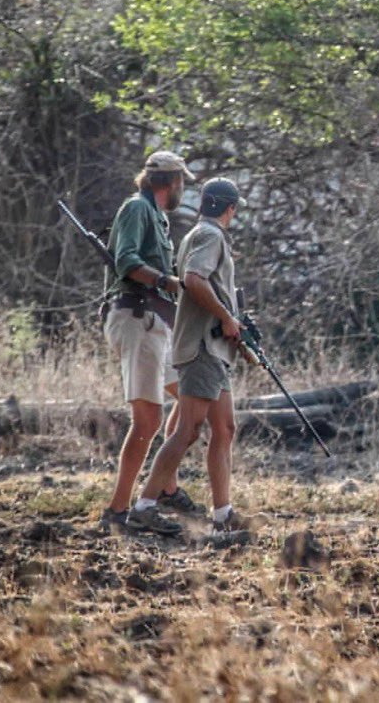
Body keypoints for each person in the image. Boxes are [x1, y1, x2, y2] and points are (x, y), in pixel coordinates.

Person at [127, 177, 253, 535]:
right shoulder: (210, 236)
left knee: (224, 429)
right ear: (231, 210)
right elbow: (194, 279)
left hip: (213, 349)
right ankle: (145, 506)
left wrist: (230, 324)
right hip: (200, 348)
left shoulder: (202, 234)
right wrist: (228, 317)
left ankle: (223, 514)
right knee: (188, 430)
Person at [99, 150, 205, 533]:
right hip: (137, 318)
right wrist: (166, 281)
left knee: (193, 399)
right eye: (180, 182)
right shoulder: (136, 210)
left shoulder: (157, 216)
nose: (182, 189)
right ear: (170, 182)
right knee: (147, 421)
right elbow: (126, 261)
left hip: (158, 322)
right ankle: (117, 511)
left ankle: (164, 486)